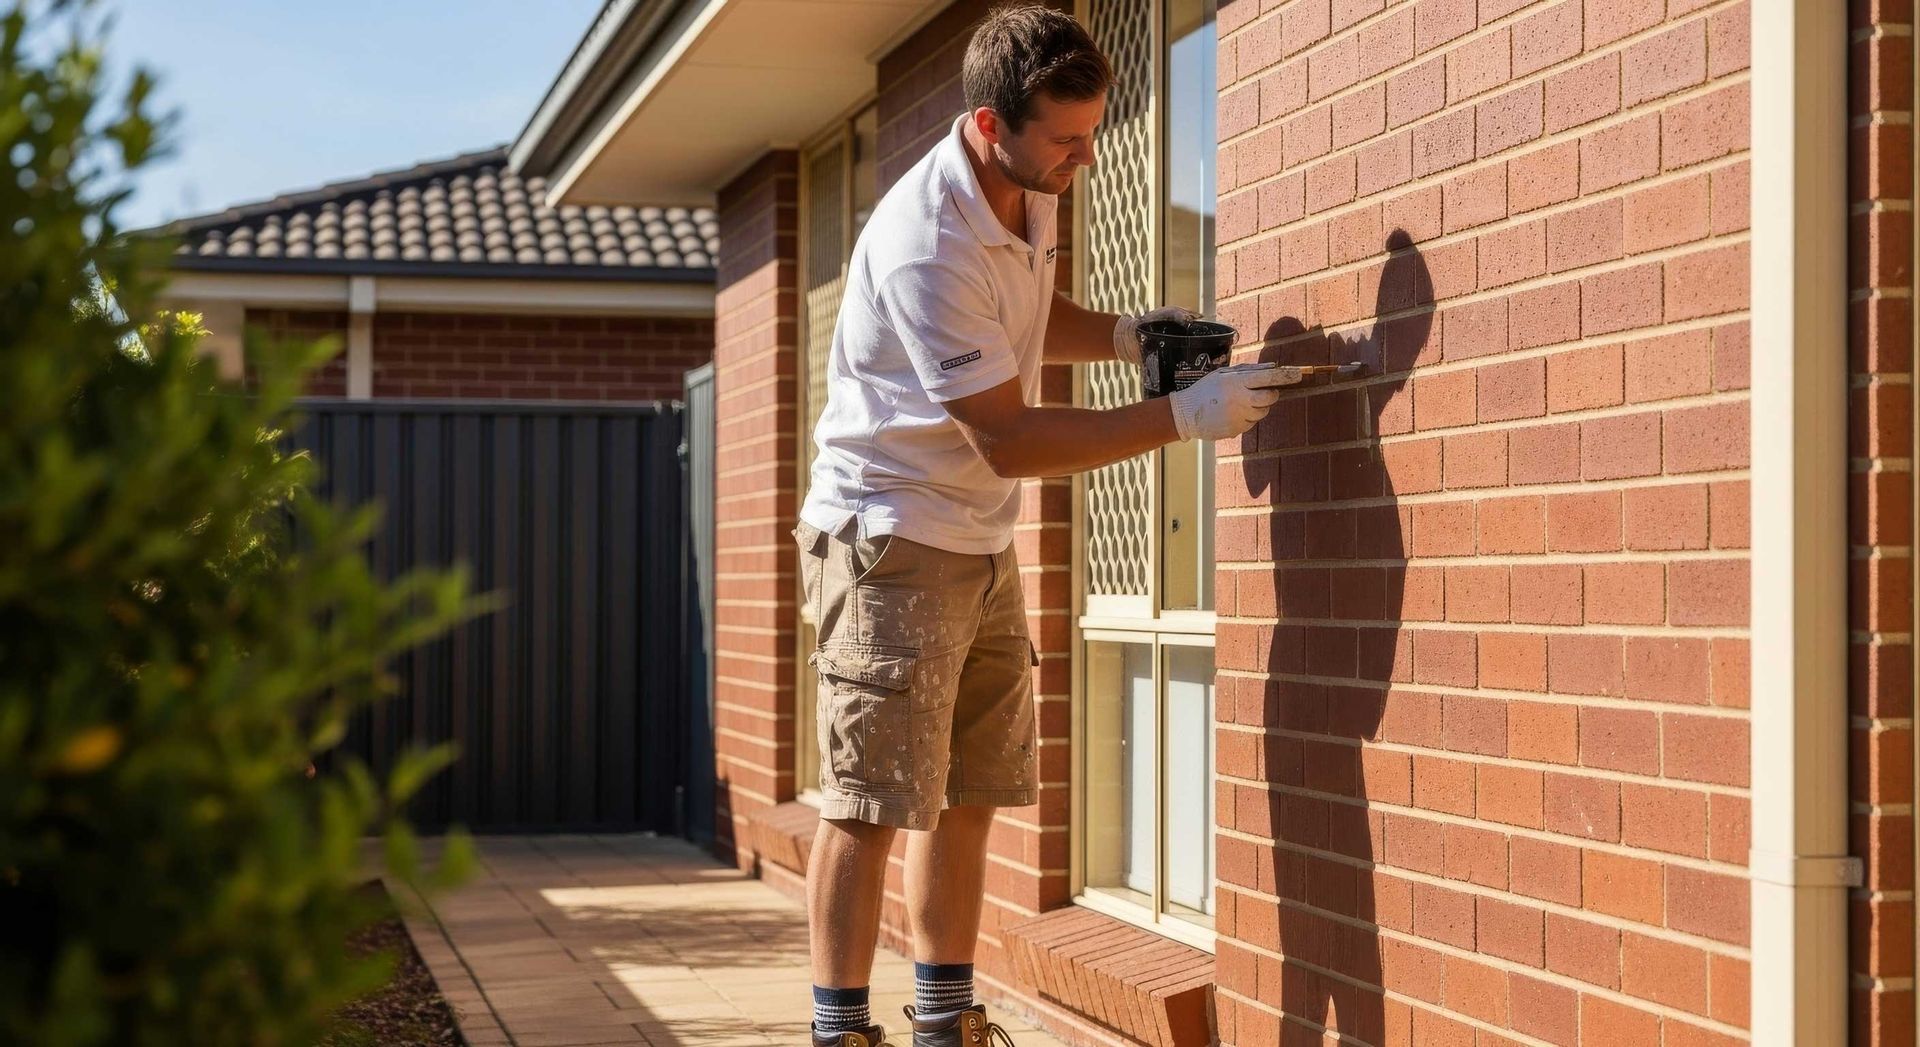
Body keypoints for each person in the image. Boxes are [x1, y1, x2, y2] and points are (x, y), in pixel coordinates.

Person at [797, 6, 1285, 1046]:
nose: (1085, 156)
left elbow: (1022, 315)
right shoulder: (925, 241)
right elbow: (1010, 440)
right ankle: (839, 1033)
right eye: (1065, 139)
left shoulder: (1029, 188)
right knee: (870, 804)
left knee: (966, 794)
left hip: (975, 540)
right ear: (988, 126)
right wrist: (1178, 419)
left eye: (1093, 132)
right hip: (888, 537)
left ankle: (944, 1023)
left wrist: (1117, 333)